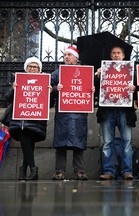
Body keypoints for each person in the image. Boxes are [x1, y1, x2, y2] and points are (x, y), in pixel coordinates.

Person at [96, 45, 139, 180]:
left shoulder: (131, 71)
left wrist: (135, 87)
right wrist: (97, 77)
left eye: (118, 53)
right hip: (107, 111)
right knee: (107, 142)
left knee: (127, 142)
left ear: (123, 56)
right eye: (113, 53)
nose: (116, 55)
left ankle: (127, 171)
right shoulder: (103, 70)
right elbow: (94, 89)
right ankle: (108, 171)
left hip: (125, 111)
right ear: (110, 56)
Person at [50, 46, 93, 181]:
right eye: (65, 55)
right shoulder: (57, 73)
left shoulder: (85, 72)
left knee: (78, 142)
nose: (66, 57)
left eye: (69, 55)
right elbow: (47, 88)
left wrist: (92, 89)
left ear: (76, 58)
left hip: (79, 113)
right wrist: (57, 88)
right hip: (63, 114)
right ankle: (59, 171)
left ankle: (80, 170)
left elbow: (93, 90)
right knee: (61, 142)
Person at [4, 57, 49, 181]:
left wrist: (50, 92)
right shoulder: (19, 80)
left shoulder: (45, 81)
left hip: (36, 120)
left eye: (35, 67)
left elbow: (49, 104)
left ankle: (23, 172)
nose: (33, 69)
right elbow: (7, 98)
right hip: (20, 120)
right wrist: (14, 88)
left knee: (28, 145)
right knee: (25, 140)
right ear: (26, 68)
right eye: (30, 66)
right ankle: (33, 170)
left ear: (39, 69)